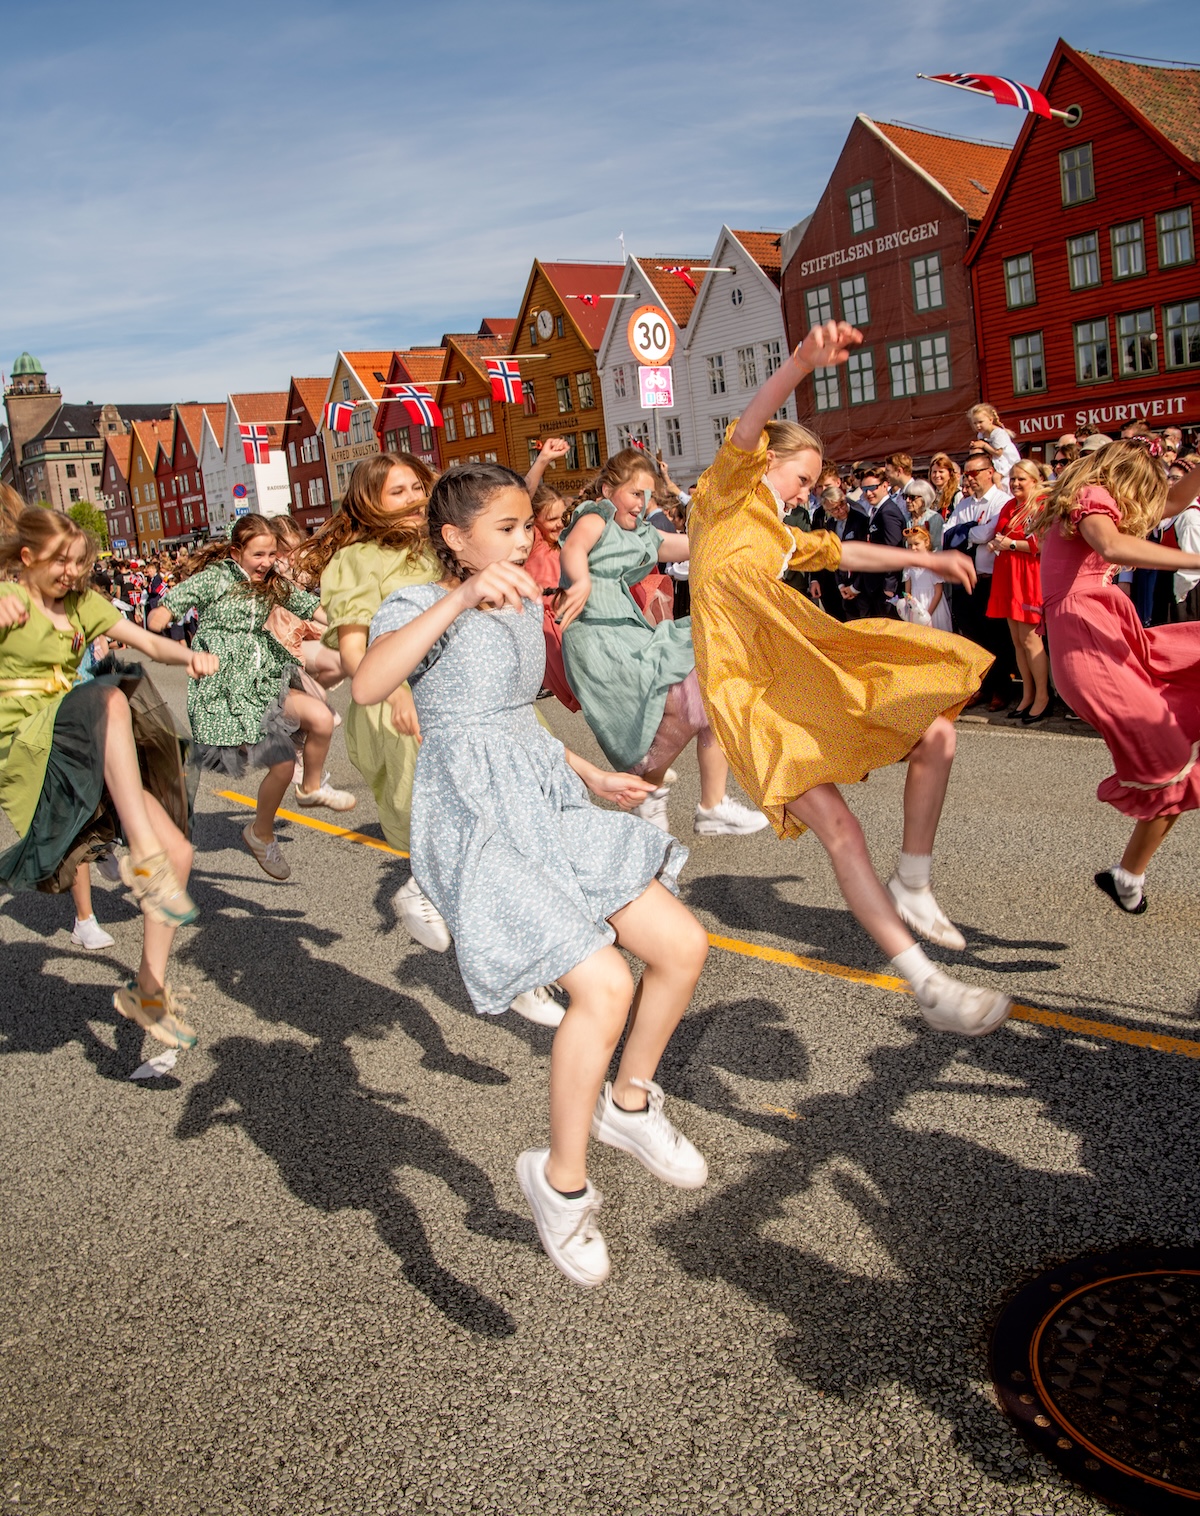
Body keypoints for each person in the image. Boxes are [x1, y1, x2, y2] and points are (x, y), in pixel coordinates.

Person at [353, 462, 711, 1287]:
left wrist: (591, 776)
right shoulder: (418, 603)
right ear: (455, 539)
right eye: (509, 529)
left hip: (542, 795)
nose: (528, 539)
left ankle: (628, 1105)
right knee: (604, 988)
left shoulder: (520, 601)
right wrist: (457, 598)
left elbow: (517, 719)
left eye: (528, 526)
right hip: (477, 823)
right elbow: (371, 684)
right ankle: (561, 1183)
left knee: (681, 945)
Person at [687, 321, 1012, 1036]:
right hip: (748, 696)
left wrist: (923, 562)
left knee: (936, 732)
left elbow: (848, 555)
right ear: (770, 464)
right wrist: (801, 361)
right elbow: (747, 427)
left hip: (795, 675)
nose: (809, 487)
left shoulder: (781, 533)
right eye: (802, 475)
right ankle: (927, 984)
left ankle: (915, 880)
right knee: (840, 830)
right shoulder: (723, 498)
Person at [0, 507, 217, 1048]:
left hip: (80, 738)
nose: (72, 573)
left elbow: (147, 642)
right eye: (60, 562)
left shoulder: (79, 603)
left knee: (181, 852)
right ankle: (141, 855)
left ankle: (148, 988)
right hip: (29, 741)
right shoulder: (10, 600)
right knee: (108, 698)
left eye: (79, 563)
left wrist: (189, 655)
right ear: (26, 558)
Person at [557, 448, 767, 838]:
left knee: (710, 680)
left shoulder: (641, 532)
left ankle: (709, 803)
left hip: (629, 628)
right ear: (608, 490)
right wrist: (581, 580)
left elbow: (689, 546)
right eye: (635, 493)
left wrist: (744, 536)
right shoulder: (596, 515)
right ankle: (655, 789)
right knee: (683, 699)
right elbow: (573, 549)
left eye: (647, 496)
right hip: (596, 634)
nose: (642, 504)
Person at [1030, 438, 1200, 914]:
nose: (1146, 503)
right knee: (1169, 759)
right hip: (1090, 647)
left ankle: (1128, 876)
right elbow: (1111, 544)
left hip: (1109, 639)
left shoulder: (1099, 501)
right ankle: (1128, 874)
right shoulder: (1089, 496)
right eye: (1143, 489)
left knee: (1177, 775)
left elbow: (1172, 502)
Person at [149, 515, 355, 884]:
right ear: (236, 552)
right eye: (258, 554)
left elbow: (316, 610)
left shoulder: (272, 584)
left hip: (262, 678)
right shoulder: (217, 579)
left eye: (271, 554)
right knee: (275, 760)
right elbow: (160, 616)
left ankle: (305, 792)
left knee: (321, 719)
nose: (265, 562)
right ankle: (258, 833)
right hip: (224, 688)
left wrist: (358, 621)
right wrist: (165, 619)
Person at [292, 453, 444, 939]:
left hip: (458, 691)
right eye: (397, 492)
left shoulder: (443, 543)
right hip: (398, 702)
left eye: (417, 487)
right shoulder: (355, 561)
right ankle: (423, 885)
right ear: (368, 504)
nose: (414, 499)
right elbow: (356, 654)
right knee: (435, 813)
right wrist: (396, 692)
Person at [946, 451, 1013, 704]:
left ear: (990, 472)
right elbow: (949, 533)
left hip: (989, 579)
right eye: (966, 474)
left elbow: (988, 533)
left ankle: (1002, 688)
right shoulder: (963, 504)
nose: (970, 479)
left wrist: (966, 532)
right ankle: (983, 685)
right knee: (974, 637)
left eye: (974, 473)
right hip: (965, 580)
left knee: (996, 636)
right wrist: (969, 532)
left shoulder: (1000, 501)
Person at [984, 458, 1048, 723]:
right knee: (1018, 641)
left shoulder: (1041, 505)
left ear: (1034, 480)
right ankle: (1028, 693)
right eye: (1013, 478)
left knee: (1031, 639)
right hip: (1007, 575)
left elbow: (1041, 544)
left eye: (1021, 478)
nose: (1016, 483)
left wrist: (1010, 544)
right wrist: (997, 544)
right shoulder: (1010, 505)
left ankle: (1043, 696)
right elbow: (1001, 535)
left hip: (1029, 576)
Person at [525, 479, 581, 712]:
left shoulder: (564, 542)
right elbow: (524, 495)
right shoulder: (534, 543)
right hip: (549, 626)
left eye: (561, 516)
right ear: (534, 520)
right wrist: (544, 460)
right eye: (551, 519)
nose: (559, 524)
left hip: (569, 617)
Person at [849, 465, 907, 618]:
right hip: (874, 585)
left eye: (873, 487)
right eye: (865, 488)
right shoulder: (876, 510)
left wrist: (889, 586)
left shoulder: (888, 512)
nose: (868, 493)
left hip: (884, 588)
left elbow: (894, 551)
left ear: (885, 486)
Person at [808, 486, 867, 622]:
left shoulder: (860, 519)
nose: (840, 510)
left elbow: (865, 556)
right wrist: (841, 585)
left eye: (841, 504)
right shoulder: (830, 525)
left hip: (860, 587)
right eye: (834, 509)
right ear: (827, 511)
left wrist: (855, 587)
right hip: (841, 585)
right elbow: (832, 555)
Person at [898, 524, 952, 630]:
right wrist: (911, 610)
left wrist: (927, 614)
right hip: (917, 607)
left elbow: (938, 592)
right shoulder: (909, 566)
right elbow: (907, 592)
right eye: (909, 545)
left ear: (926, 543)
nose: (913, 548)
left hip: (933, 607)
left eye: (916, 544)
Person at [968, 403, 1020, 486]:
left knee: (996, 477)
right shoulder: (981, 434)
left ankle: (1002, 495)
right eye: (975, 423)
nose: (978, 426)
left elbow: (998, 452)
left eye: (980, 422)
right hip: (996, 462)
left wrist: (983, 445)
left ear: (990, 420)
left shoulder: (998, 433)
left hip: (1007, 461)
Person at [903, 479, 943, 548]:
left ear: (924, 499)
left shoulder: (935, 518)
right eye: (906, 496)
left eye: (912, 497)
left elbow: (937, 547)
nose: (907, 500)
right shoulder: (905, 518)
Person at [928, 454, 962, 524]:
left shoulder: (957, 495)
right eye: (934, 472)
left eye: (941, 472)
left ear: (950, 474)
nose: (937, 475)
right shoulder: (930, 495)